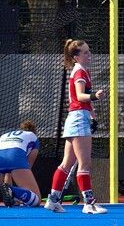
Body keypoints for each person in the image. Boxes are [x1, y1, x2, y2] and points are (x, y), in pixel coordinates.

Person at [44, 39, 106, 214]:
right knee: (84, 164)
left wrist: (92, 114)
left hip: (77, 118)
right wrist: (95, 96)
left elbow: (81, 100)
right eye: (85, 52)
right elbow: (80, 96)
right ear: (76, 56)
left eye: (89, 51)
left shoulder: (83, 71)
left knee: (67, 163)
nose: (89, 55)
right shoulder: (79, 72)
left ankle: (53, 200)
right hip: (78, 119)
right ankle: (89, 204)